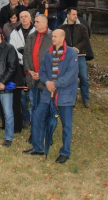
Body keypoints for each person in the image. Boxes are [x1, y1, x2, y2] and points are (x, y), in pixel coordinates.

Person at [31, 29, 79, 163]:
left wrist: (56, 84)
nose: (53, 38)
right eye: (52, 36)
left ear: (63, 38)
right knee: (37, 117)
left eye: (56, 36)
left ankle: (65, 152)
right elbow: (42, 70)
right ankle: (38, 147)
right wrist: (46, 82)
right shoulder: (49, 52)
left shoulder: (71, 53)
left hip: (65, 94)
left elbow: (71, 75)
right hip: (48, 91)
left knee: (66, 124)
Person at [21, 14, 52, 155]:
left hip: (46, 80)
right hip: (33, 78)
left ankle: (46, 135)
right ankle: (35, 136)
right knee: (34, 107)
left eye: (38, 22)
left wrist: (42, 73)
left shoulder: (52, 37)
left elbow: (54, 60)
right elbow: (26, 54)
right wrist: (30, 70)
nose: (35, 24)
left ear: (45, 23)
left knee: (45, 109)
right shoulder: (31, 36)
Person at [58, 7, 91, 108]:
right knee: (70, 79)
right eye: (73, 14)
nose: (76, 16)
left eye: (76, 14)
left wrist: (77, 48)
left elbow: (86, 39)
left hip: (80, 55)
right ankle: (71, 99)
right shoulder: (61, 28)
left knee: (84, 78)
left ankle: (86, 99)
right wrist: (68, 49)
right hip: (67, 57)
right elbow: (59, 41)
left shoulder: (82, 27)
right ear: (68, 16)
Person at [9, 10, 35, 131]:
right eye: (21, 17)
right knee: (22, 96)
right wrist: (22, 59)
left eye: (26, 16)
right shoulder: (15, 32)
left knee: (33, 95)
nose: (23, 18)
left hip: (34, 67)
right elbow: (12, 49)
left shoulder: (36, 31)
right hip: (20, 67)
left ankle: (35, 119)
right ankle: (26, 119)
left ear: (31, 18)